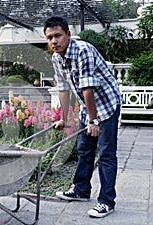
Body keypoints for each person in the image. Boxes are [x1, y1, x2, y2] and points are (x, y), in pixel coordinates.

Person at [43, 16, 124, 218]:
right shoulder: (56, 58)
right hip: (88, 108)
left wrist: (94, 121)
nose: (54, 41)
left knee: (106, 154)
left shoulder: (83, 51)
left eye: (58, 36)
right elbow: (63, 89)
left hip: (107, 104)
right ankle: (81, 189)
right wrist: (64, 117)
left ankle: (106, 201)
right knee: (84, 149)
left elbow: (88, 88)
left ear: (68, 35)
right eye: (50, 37)